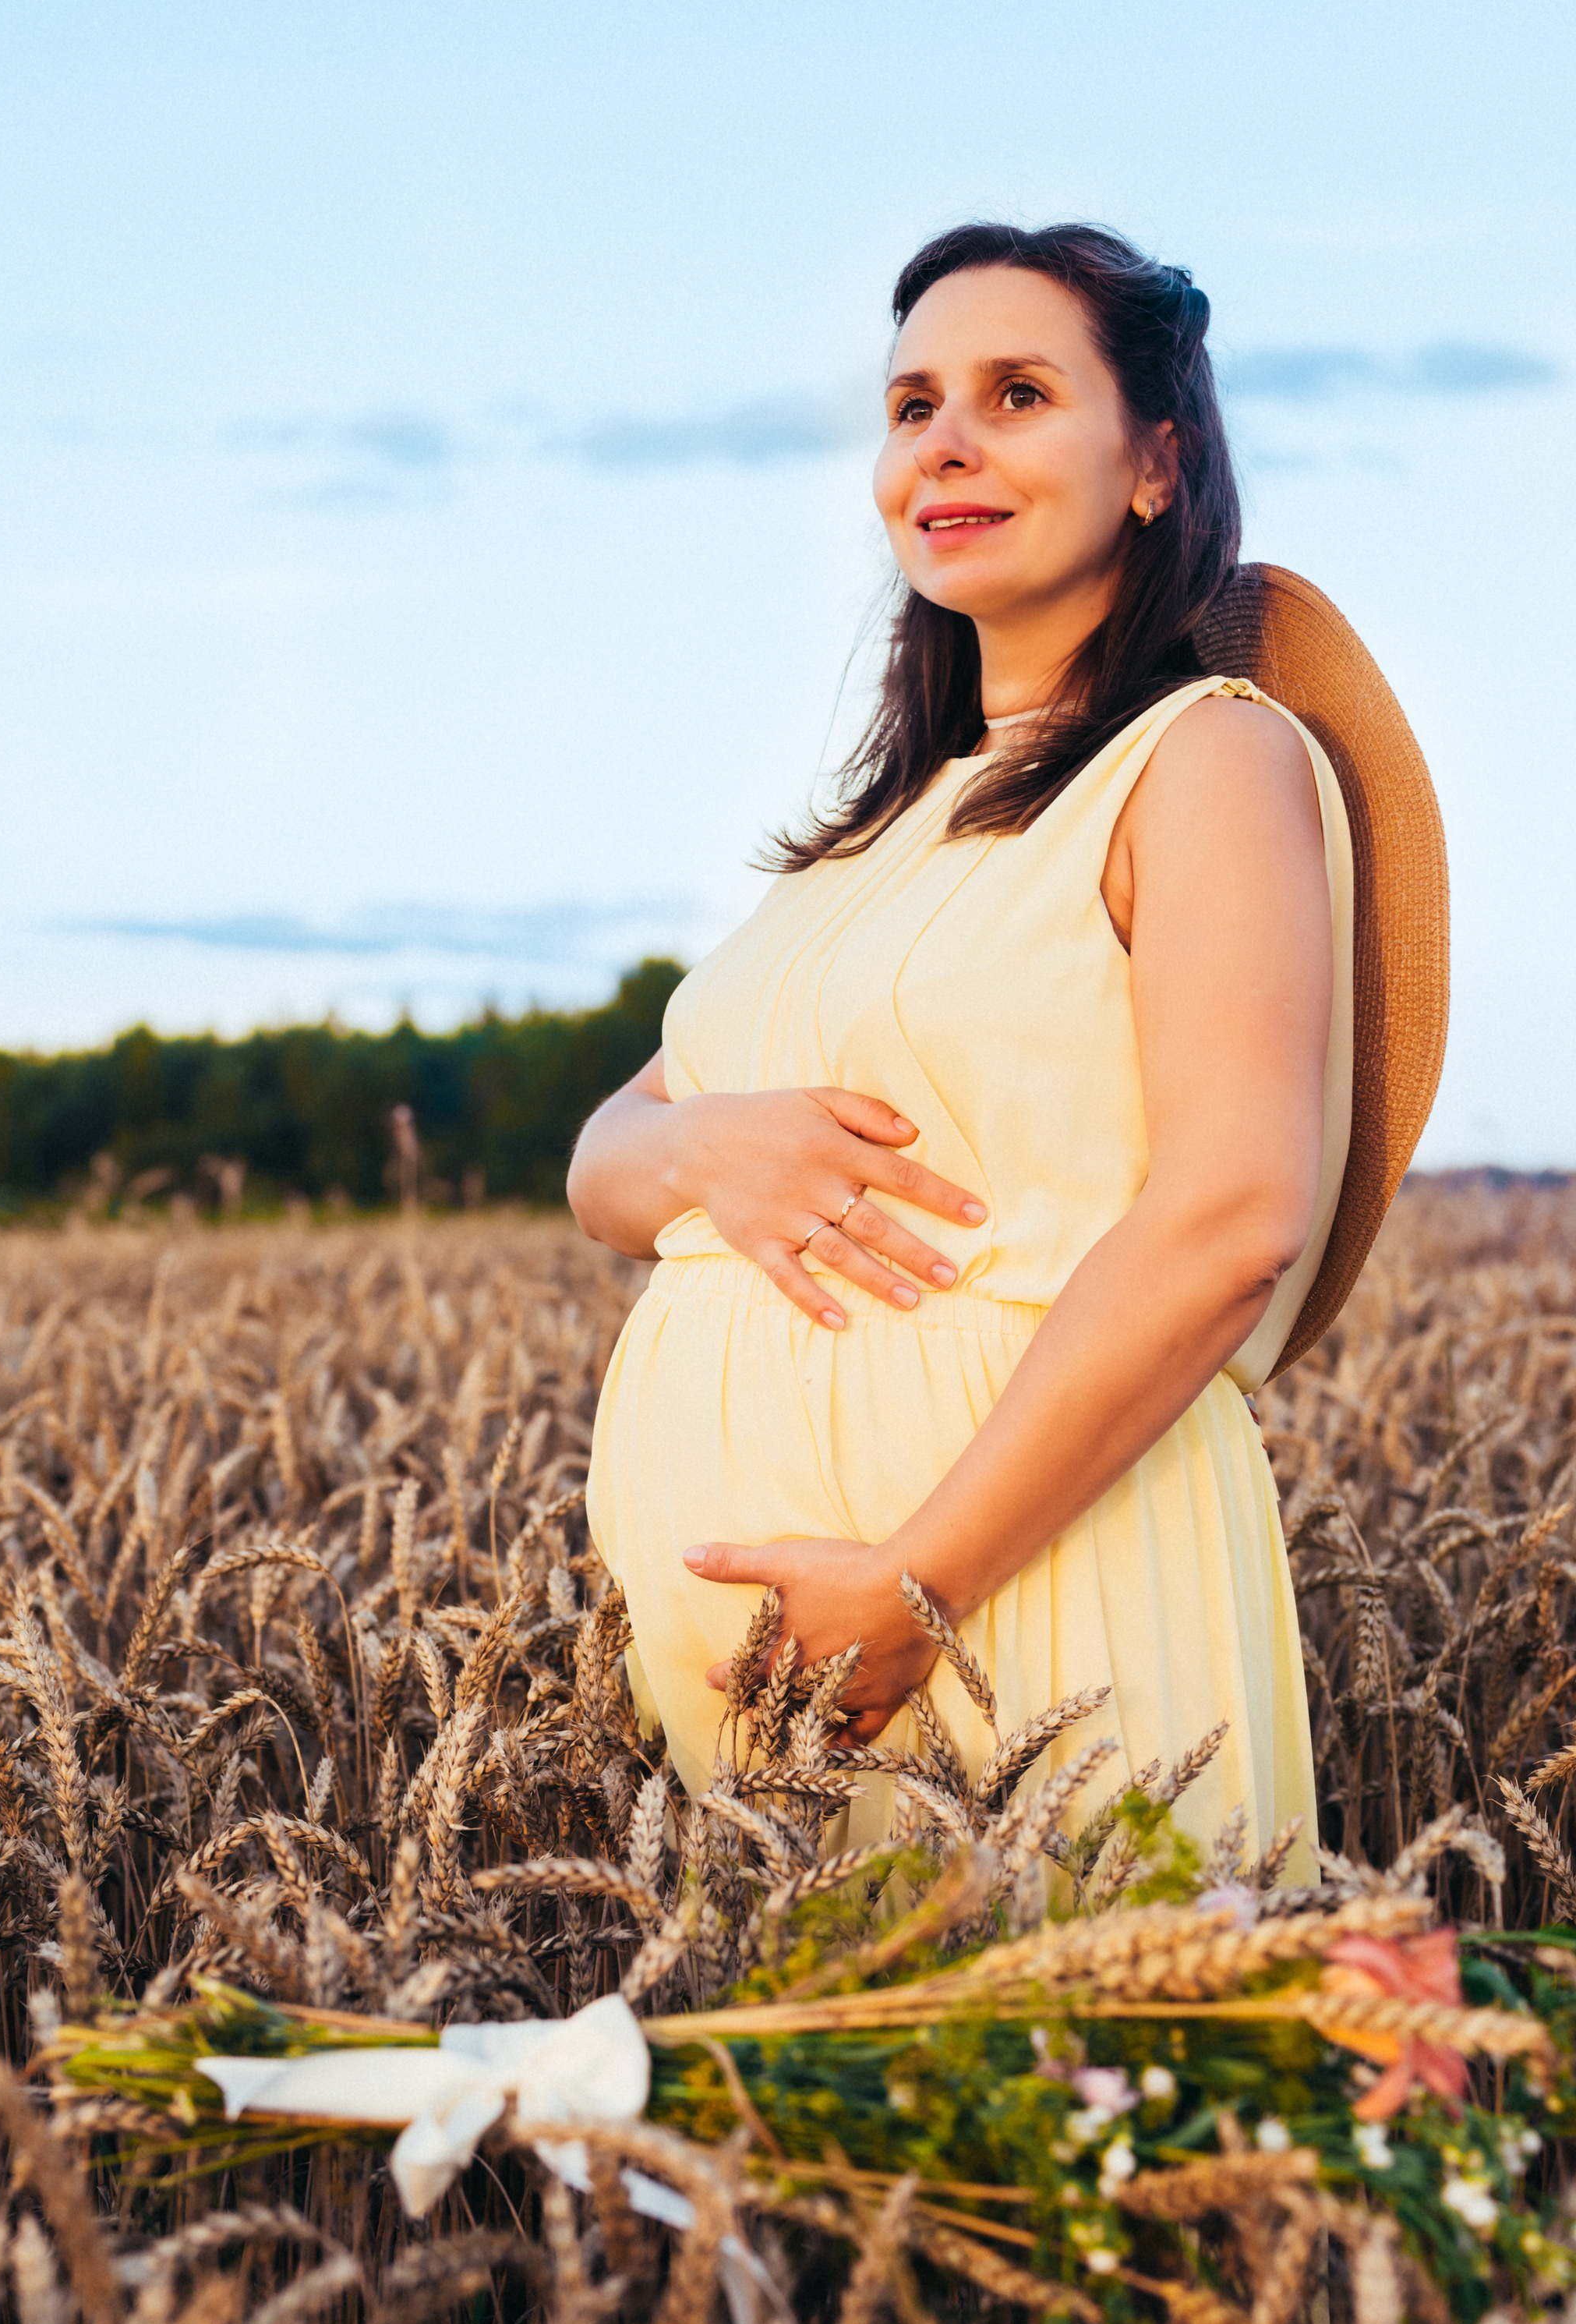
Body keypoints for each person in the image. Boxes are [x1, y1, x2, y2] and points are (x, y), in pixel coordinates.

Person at [569, 221, 1367, 1871]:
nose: (943, 441)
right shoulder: (865, 838)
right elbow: (602, 1165)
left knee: (1066, 2089)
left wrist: (918, 1576)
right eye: (911, 402)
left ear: (1154, 462)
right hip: (776, 1672)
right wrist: (704, 1148)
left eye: (1013, 394)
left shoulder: (1204, 765)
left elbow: (1234, 1218)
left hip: (1014, 1596)